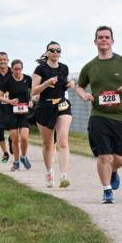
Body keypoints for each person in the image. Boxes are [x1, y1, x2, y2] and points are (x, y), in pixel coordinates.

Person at [75, 25, 122, 204]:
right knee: (104, 156)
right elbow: (79, 86)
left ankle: (112, 171)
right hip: (99, 116)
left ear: (112, 40)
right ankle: (107, 191)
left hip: (121, 116)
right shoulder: (89, 66)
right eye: (100, 37)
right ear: (95, 41)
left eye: (107, 37)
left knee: (120, 158)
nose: (104, 40)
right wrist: (83, 94)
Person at [31, 42, 74, 188]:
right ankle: (49, 172)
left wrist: (70, 84)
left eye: (58, 50)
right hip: (45, 106)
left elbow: (65, 84)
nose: (55, 52)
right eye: (52, 50)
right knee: (48, 143)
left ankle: (64, 176)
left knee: (62, 141)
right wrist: (46, 83)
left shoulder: (64, 68)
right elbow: (34, 92)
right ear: (47, 52)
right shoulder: (40, 69)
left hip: (62, 105)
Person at [0, 59, 34, 171]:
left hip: (24, 112)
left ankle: (24, 156)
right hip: (11, 112)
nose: (18, 71)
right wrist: (9, 101)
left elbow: (34, 91)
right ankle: (16, 162)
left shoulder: (28, 79)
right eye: (15, 69)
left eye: (20, 69)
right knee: (14, 138)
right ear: (11, 69)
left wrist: (32, 100)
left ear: (22, 68)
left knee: (24, 137)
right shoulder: (8, 81)